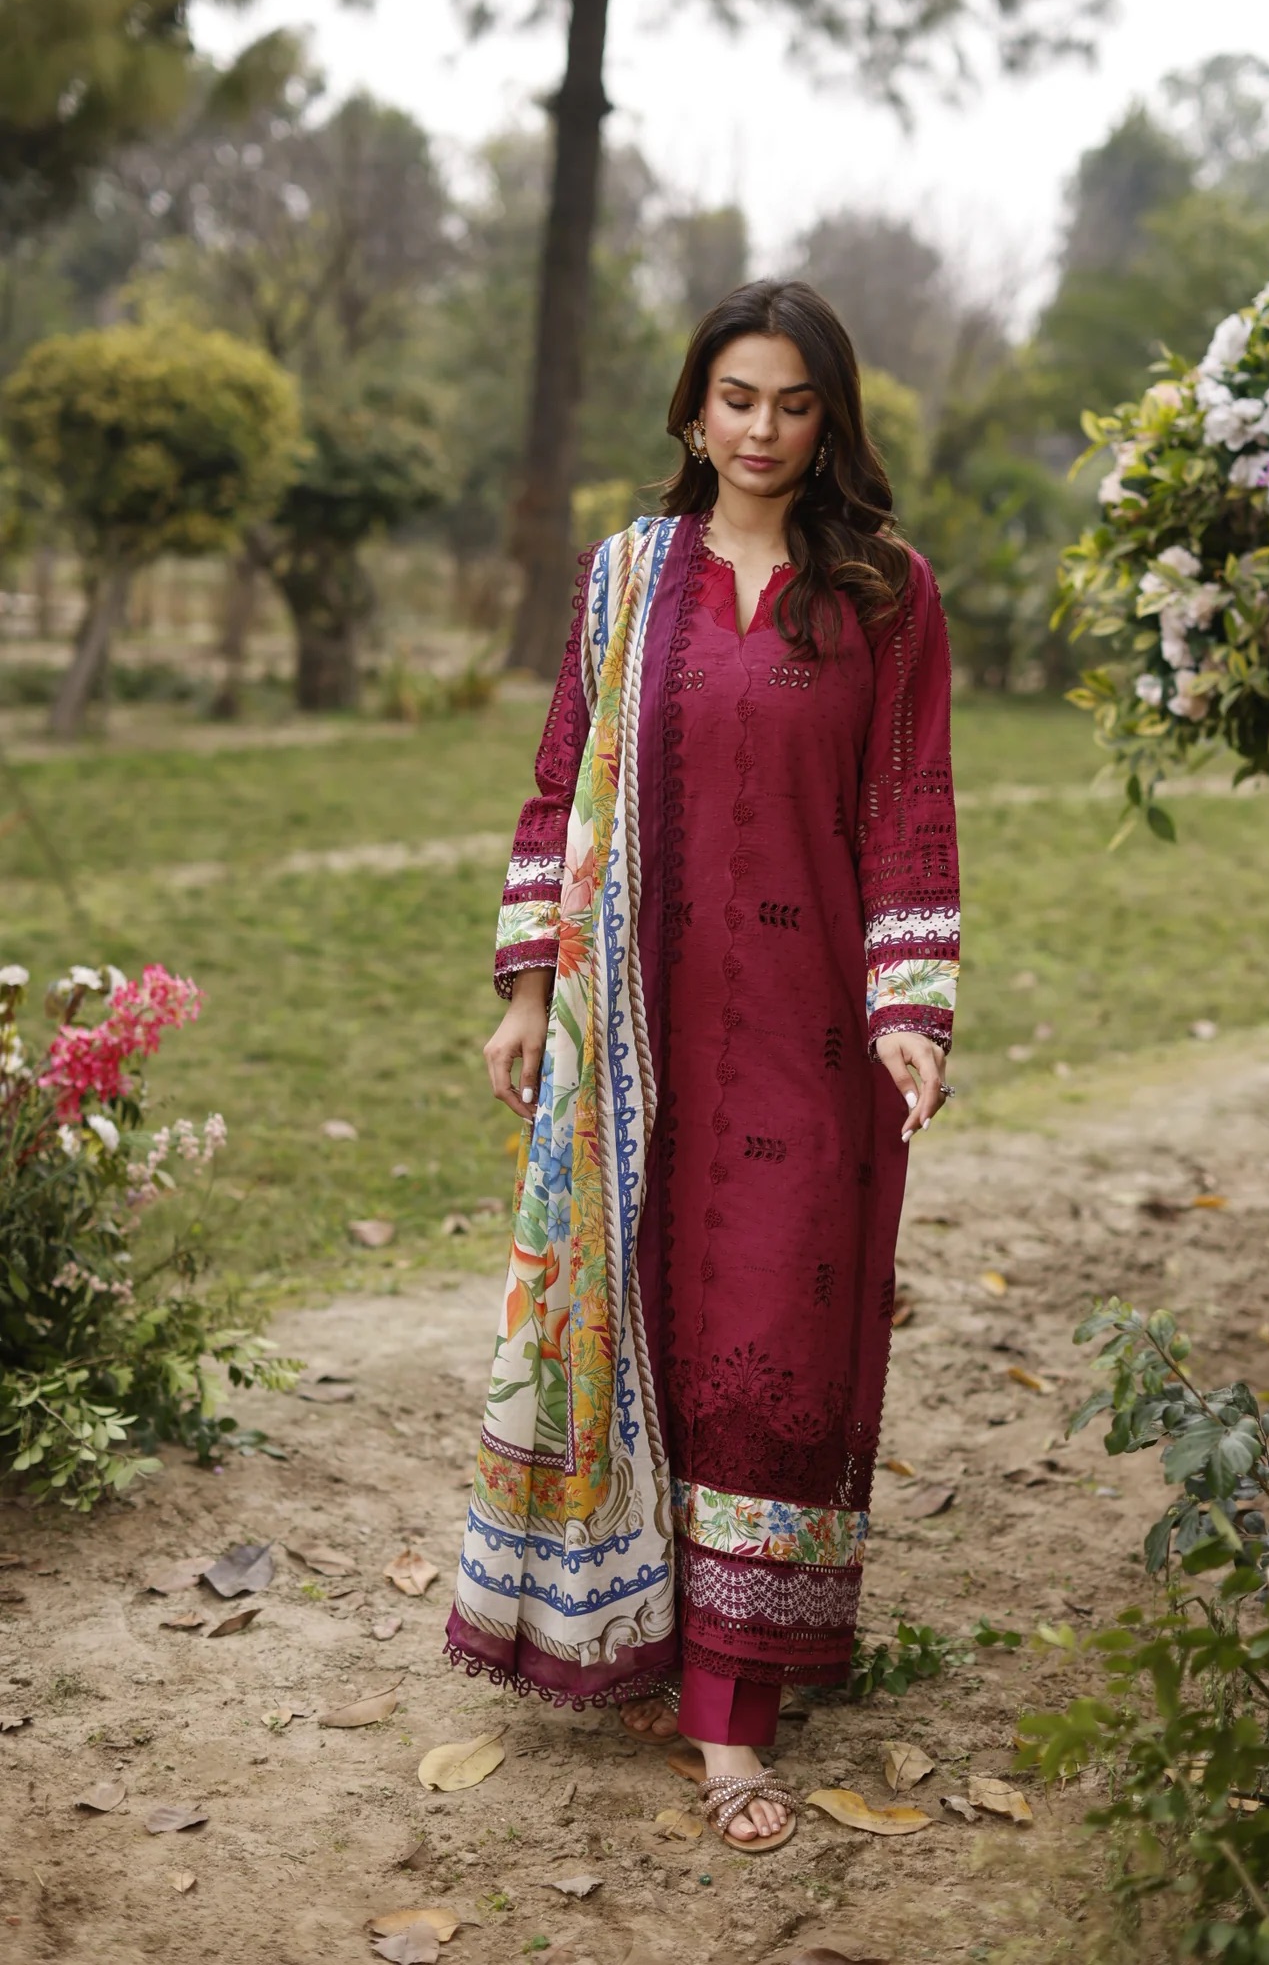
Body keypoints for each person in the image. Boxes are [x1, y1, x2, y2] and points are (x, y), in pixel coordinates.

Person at [448, 280, 960, 1853]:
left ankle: (733, 1707)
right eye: (737, 398)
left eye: (794, 404)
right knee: (645, 1318)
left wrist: (909, 1008)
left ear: (831, 420)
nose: (762, 430)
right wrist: (529, 993)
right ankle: (633, 1628)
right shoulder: (626, 578)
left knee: (771, 1339)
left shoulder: (884, 593)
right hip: (632, 1032)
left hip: (809, 1038)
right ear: (693, 407)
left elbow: (909, 804)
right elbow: (560, 785)